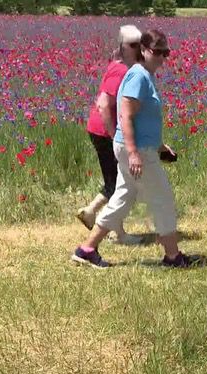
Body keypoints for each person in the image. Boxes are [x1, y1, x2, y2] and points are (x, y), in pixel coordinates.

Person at [72, 29, 199, 269]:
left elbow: (144, 120)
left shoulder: (145, 75)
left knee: (121, 199)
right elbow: (126, 116)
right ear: (143, 50)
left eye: (166, 52)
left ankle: (86, 249)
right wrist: (133, 153)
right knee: (162, 199)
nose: (162, 57)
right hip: (137, 151)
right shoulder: (138, 76)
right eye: (157, 52)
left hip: (141, 147)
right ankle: (173, 256)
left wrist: (160, 146)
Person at [77, 24, 143, 246]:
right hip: (104, 130)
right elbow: (104, 104)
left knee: (115, 181)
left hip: (100, 129)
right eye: (135, 46)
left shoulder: (118, 65)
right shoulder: (121, 71)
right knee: (120, 183)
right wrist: (112, 134)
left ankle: (90, 212)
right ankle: (118, 234)